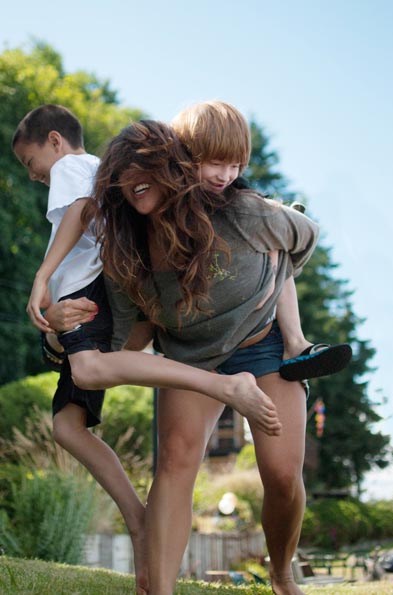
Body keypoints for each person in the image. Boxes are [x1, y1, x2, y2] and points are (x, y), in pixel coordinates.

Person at [12, 105, 281, 595]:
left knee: (89, 372)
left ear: (54, 141)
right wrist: (52, 322)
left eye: (31, 163)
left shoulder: (73, 165)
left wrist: (42, 276)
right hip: (86, 300)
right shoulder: (107, 175)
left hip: (88, 293)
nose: (32, 175)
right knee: (67, 426)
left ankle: (222, 388)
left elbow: (80, 210)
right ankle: (138, 520)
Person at [77, 118, 320, 595]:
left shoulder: (242, 212)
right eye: (125, 173)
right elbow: (126, 340)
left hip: (262, 345)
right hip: (190, 357)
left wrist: (275, 281)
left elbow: (304, 237)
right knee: (175, 461)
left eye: (148, 168)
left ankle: (281, 573)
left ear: (174, 169)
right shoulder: (124, 247)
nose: (135, 179)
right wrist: (72, 335)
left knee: (282, 474)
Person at [172, 100, 352, 382]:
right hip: (202, 334)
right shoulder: (169, 207)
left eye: (235, 166)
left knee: (277, 252)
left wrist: (274, 278)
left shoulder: (244, 204)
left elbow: (305, 235)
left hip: (257, 327)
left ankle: (296, 342)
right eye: (216, 164)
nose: (226, 176)